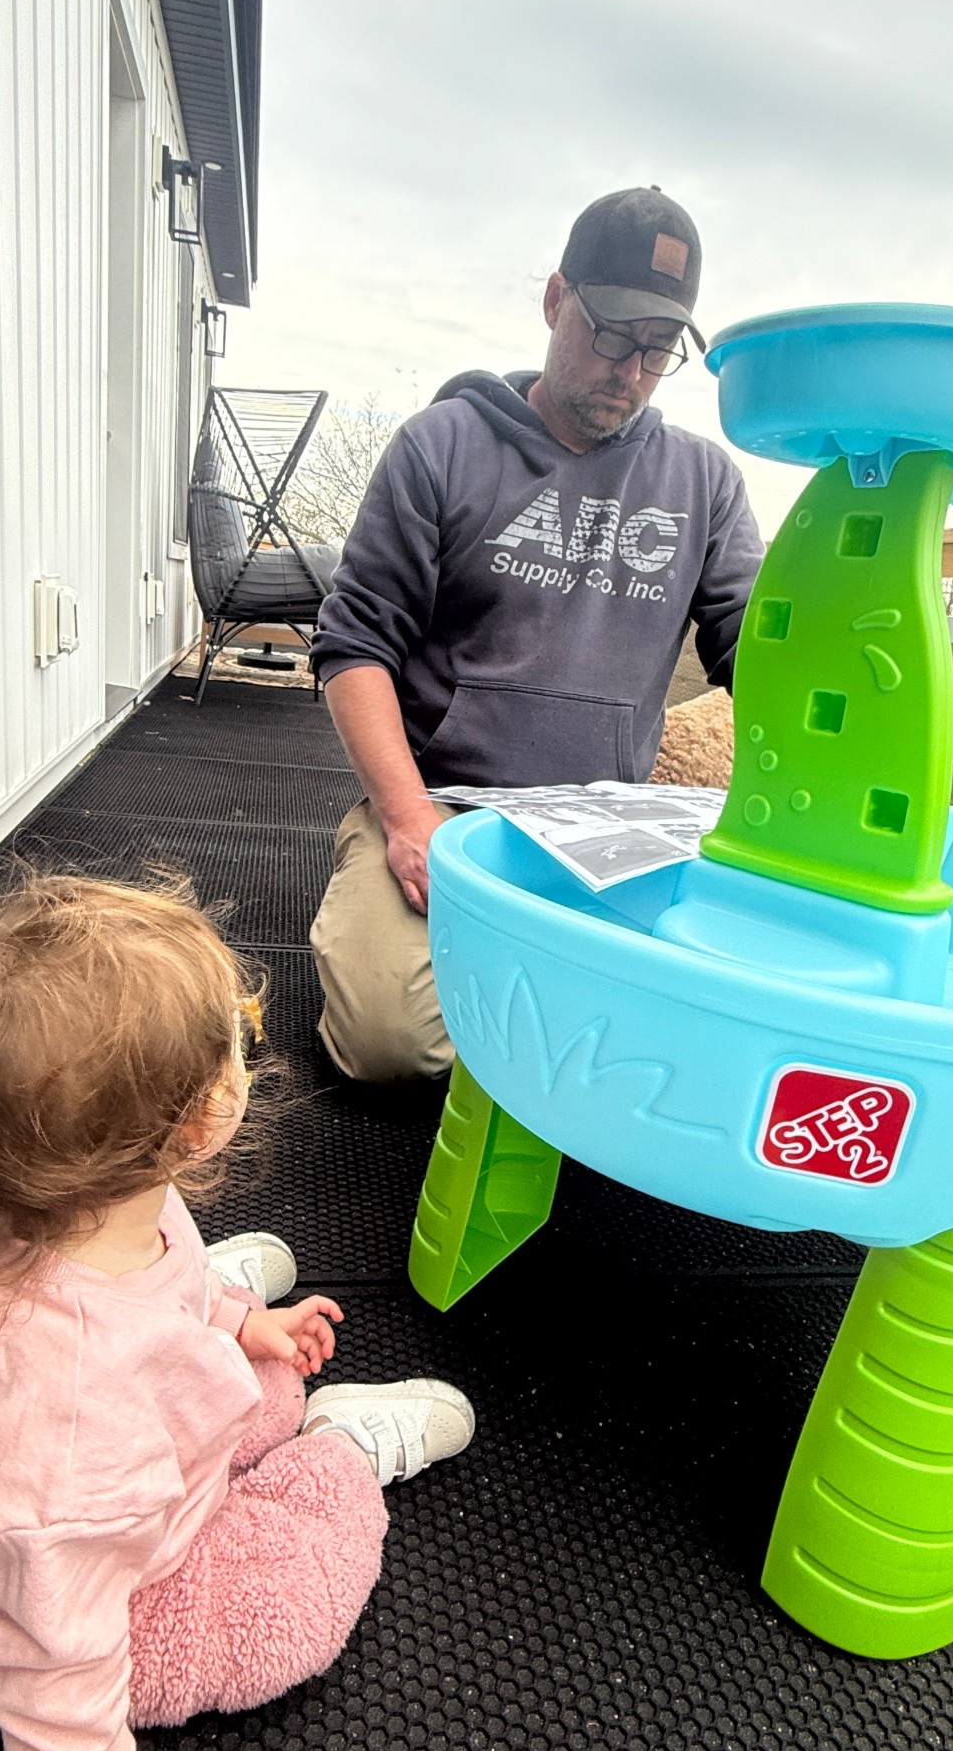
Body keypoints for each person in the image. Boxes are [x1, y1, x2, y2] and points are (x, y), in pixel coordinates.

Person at [0, 875, 475, 1751]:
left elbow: (168, 1290)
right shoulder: (58, 1436)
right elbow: (50, 1651)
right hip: (27, 1611)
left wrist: (237, 1320)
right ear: (199, 1120)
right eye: (236, 1033)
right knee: (282, 1608)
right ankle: (340, 1456)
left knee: (248, 1355)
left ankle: (244, 1315)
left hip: (87, 1470)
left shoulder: (82, 1207)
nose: (249, 1041)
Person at [309, 186, 765, 1083]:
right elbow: (355, 644)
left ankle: (554, 1003)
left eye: (658, 350)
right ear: (557, 299)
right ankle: (379, 879)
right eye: (611, 335)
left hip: (613, 833)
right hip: (450, 813)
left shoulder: (704, 482)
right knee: (387, 1044)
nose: (629, 371)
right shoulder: (442, 445)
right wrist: (408, 818)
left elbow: (758, 653)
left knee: (727, 1019)